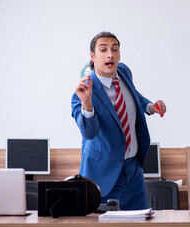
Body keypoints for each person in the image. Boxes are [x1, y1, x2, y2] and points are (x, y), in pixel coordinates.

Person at [71, 31, 166, 210]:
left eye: (115, 49)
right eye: (104, 49)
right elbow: (89, 133)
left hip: (133, 169)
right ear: (93, 56)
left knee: (140, 224)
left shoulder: (123, 71)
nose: (110, 54)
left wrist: (149, 106)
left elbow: (132, 93)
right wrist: (88, 103)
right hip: (102, 172)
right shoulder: (81, 93)